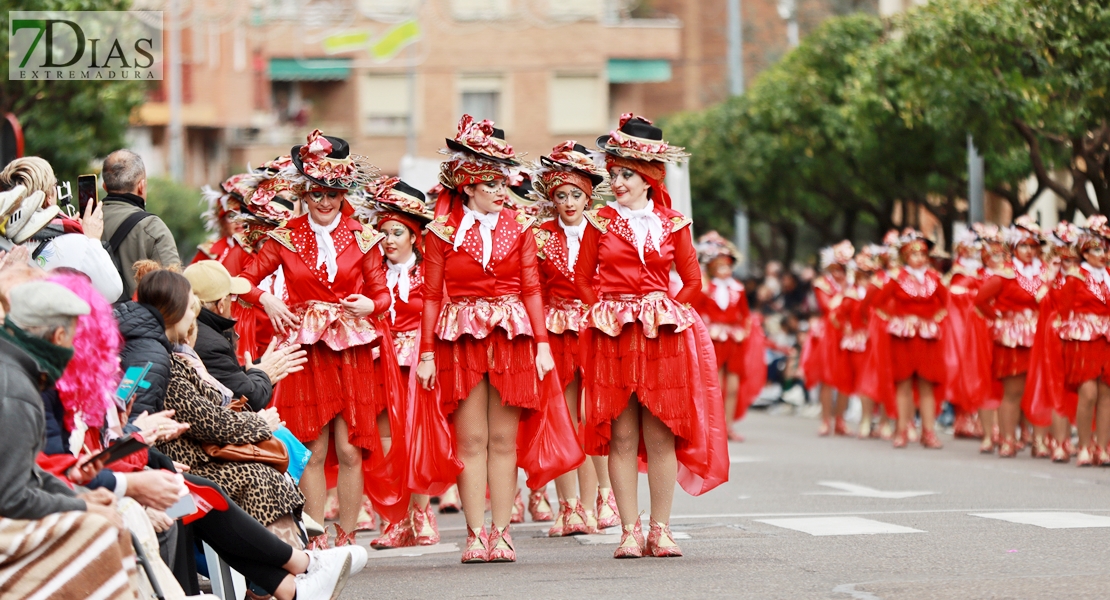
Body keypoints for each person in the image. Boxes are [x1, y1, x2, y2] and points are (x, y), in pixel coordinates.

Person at [415, 115, 582, 563]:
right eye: (490, 181)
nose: (499, 189)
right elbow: (431, 296)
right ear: (468, 185)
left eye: (501, 180)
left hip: (514, 339)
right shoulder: (439, 231)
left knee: (504, 441)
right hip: (460, 339)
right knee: (470, 441)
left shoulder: (521, 224)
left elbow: (531, 288)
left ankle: (502, 532)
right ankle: (474, 535)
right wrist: (426, 353)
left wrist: (544, 345)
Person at [575, 114, 728, 558]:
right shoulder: (599, 222)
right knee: (621, 436)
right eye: (614, 173)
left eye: (626, 174)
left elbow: (694, 280)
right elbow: (583, 279)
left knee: (661, 435)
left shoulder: (674, 223)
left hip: (663, 337)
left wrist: (671, 309)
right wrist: (602, 310)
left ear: (648, 177)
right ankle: (628, 530)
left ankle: (661, 529)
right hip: (613, 338)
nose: (617, 182)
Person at [241, 129, 400, 548]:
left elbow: (382, 294)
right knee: (310, 450)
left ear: (343, 193)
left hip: (352, 350)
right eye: (316, 193)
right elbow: (239, 281)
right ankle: (314, 539)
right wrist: (266, 301)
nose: (325, 202)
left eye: (332, 193)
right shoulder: (285, 236)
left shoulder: (365, 236)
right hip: (304, 350)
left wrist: (372, 305)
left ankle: (347, 538)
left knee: (349, 451)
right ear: (304, 194)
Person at [0, 280, 143, 599]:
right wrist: (79, 506)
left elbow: (26, 475)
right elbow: (11, 497)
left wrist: (78, 498)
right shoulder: (16, 390)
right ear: (59, 337)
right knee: (102, 532)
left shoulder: (13, 372)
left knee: (104, 521)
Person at [529, 142, 619, 536]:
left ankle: (604, 495)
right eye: (561, 195)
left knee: (596, 416)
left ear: (589, 196)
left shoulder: (605, 230)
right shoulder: (538, 235)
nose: (568, 202)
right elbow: (530, 288)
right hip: (553, 331)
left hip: (596, 329)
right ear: (551, 198)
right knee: (561, 418)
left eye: (576, 195)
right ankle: (569, 508)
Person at [355, 177, 441, 549]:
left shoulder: (430, 273)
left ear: (414, 236)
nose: (389, 240)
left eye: (397, 232)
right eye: (383, 232)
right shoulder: (368, 274)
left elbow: (438, 317)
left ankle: (421, 514)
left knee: (418, 436)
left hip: (418, 363)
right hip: (378, 363)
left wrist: (429, 356)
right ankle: (395, 517)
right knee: (386, 441)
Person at [184, 259, 307, 412]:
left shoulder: (196, 331)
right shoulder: (211, 344)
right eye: (231, 297)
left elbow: (227, 377)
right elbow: (251, 398)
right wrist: (263, 374)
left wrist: (259, 366)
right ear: (221, 305)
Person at [973, 217, 1049, 458]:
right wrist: (999, 319)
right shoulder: (1004, 274)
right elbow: (980, 301)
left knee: (1039, 388)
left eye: (1033, 246)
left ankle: (1040, 441)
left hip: (1041, 335)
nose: (1029, 251)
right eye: (1024, 246)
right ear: (1014, 247)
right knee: (1013, 391)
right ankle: (1007, 440)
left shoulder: (1046, 274)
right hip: (1012, 338)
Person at [867, 230, 949, 449]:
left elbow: (945, 302)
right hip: (903, 337)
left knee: (927, 386)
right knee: (902, 384)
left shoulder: (935, 278)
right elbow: (878, 303)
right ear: (905, 256)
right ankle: (901, 430)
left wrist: (935, 319)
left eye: (923, 254)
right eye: (914, 254)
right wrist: (896, 321)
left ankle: (928, 432)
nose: (919, 258)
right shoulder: (896, 278)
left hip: (927, 336)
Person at [0, 157, 124, 302]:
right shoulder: (78, 244)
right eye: (55, 186)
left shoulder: (4, 243)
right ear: (48, 197)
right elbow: (113, 290)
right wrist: (93, 240)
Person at [694, 231, 764, 443]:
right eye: (720, 265)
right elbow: (696, 311)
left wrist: (743, 330)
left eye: (727, 265)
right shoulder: (705, 287)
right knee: (711, 383)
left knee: (732, 386)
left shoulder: (738, 289)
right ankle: (709, 427)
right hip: (712, 339)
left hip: (733, 340)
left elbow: (745, 314)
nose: (725, 269)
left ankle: (728, 425)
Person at [1054, 217, 1110, 466]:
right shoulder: (1075, 277)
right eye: (1097, 248)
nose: (1103, 253)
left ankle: (1102, 447)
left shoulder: (1109, 275)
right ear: (1085, 251)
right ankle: (1084, 446)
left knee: (1107, 395)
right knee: (1088, 393)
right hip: (1083, 339)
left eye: (1106, 248)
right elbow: (1063, 311)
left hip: (1107, 337)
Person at [100, 149, 181, 300]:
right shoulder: (152, 227)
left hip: (94, 321)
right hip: (141, 321)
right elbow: (175, 291)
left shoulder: (84, 223)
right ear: (141, 186)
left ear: (105, 187)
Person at [804, 240, 855, 436]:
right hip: (829, 334)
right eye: (835, 268)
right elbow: (829, 307)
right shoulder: (822, 284)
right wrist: (846, 296)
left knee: (846, 378)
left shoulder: (852, 284)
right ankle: (825, 419)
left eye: (842, 268)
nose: (839, 272)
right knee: (827, 378)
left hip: (848, 333)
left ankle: (840, 419)